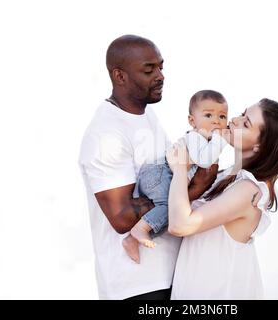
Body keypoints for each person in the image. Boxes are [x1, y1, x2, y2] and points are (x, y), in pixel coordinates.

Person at [78, 35, 218, 300]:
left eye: (161, 67)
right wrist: (194, 187)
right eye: (149, 69)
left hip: (175, 273)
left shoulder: (147, 115)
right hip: (137, 283)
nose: (161, 76)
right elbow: (122, 217)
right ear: (120, 76)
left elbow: (169, 178)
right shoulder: (105, 134)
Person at [166, 98, 278, 299]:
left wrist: (180, 169)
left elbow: (180, 225)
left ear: (260, 146)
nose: (234, 120)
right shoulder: (229, 177)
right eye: (242, 114)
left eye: (246, 123)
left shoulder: (248, 191)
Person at [122, 90, 230, 263]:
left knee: (172, 214)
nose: (216, 121)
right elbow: (204, 160)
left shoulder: (207, 142)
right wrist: (222, 140)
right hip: (159, 173)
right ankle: (139, 230)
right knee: (170, 207)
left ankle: (132, 239)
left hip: (159, 176)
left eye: (222, 116)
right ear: (192, 121)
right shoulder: (196, 137)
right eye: (208, 115)